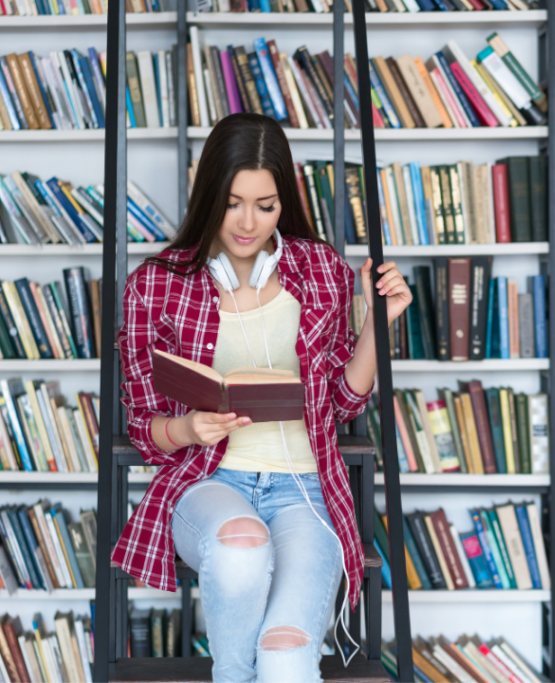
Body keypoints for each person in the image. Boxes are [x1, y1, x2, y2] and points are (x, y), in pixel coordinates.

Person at [110, 112, 411, 683]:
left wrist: (379, 323)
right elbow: (145, 425)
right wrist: (187, 428)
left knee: (284, 653)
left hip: (305, 491)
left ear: (283, 201)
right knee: (242, 546)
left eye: (266, 205)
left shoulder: (319, 268)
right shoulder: (156, 283)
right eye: (232, 203)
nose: (248, 223)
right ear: (209, 196)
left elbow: (344, 402)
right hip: (209, 484)